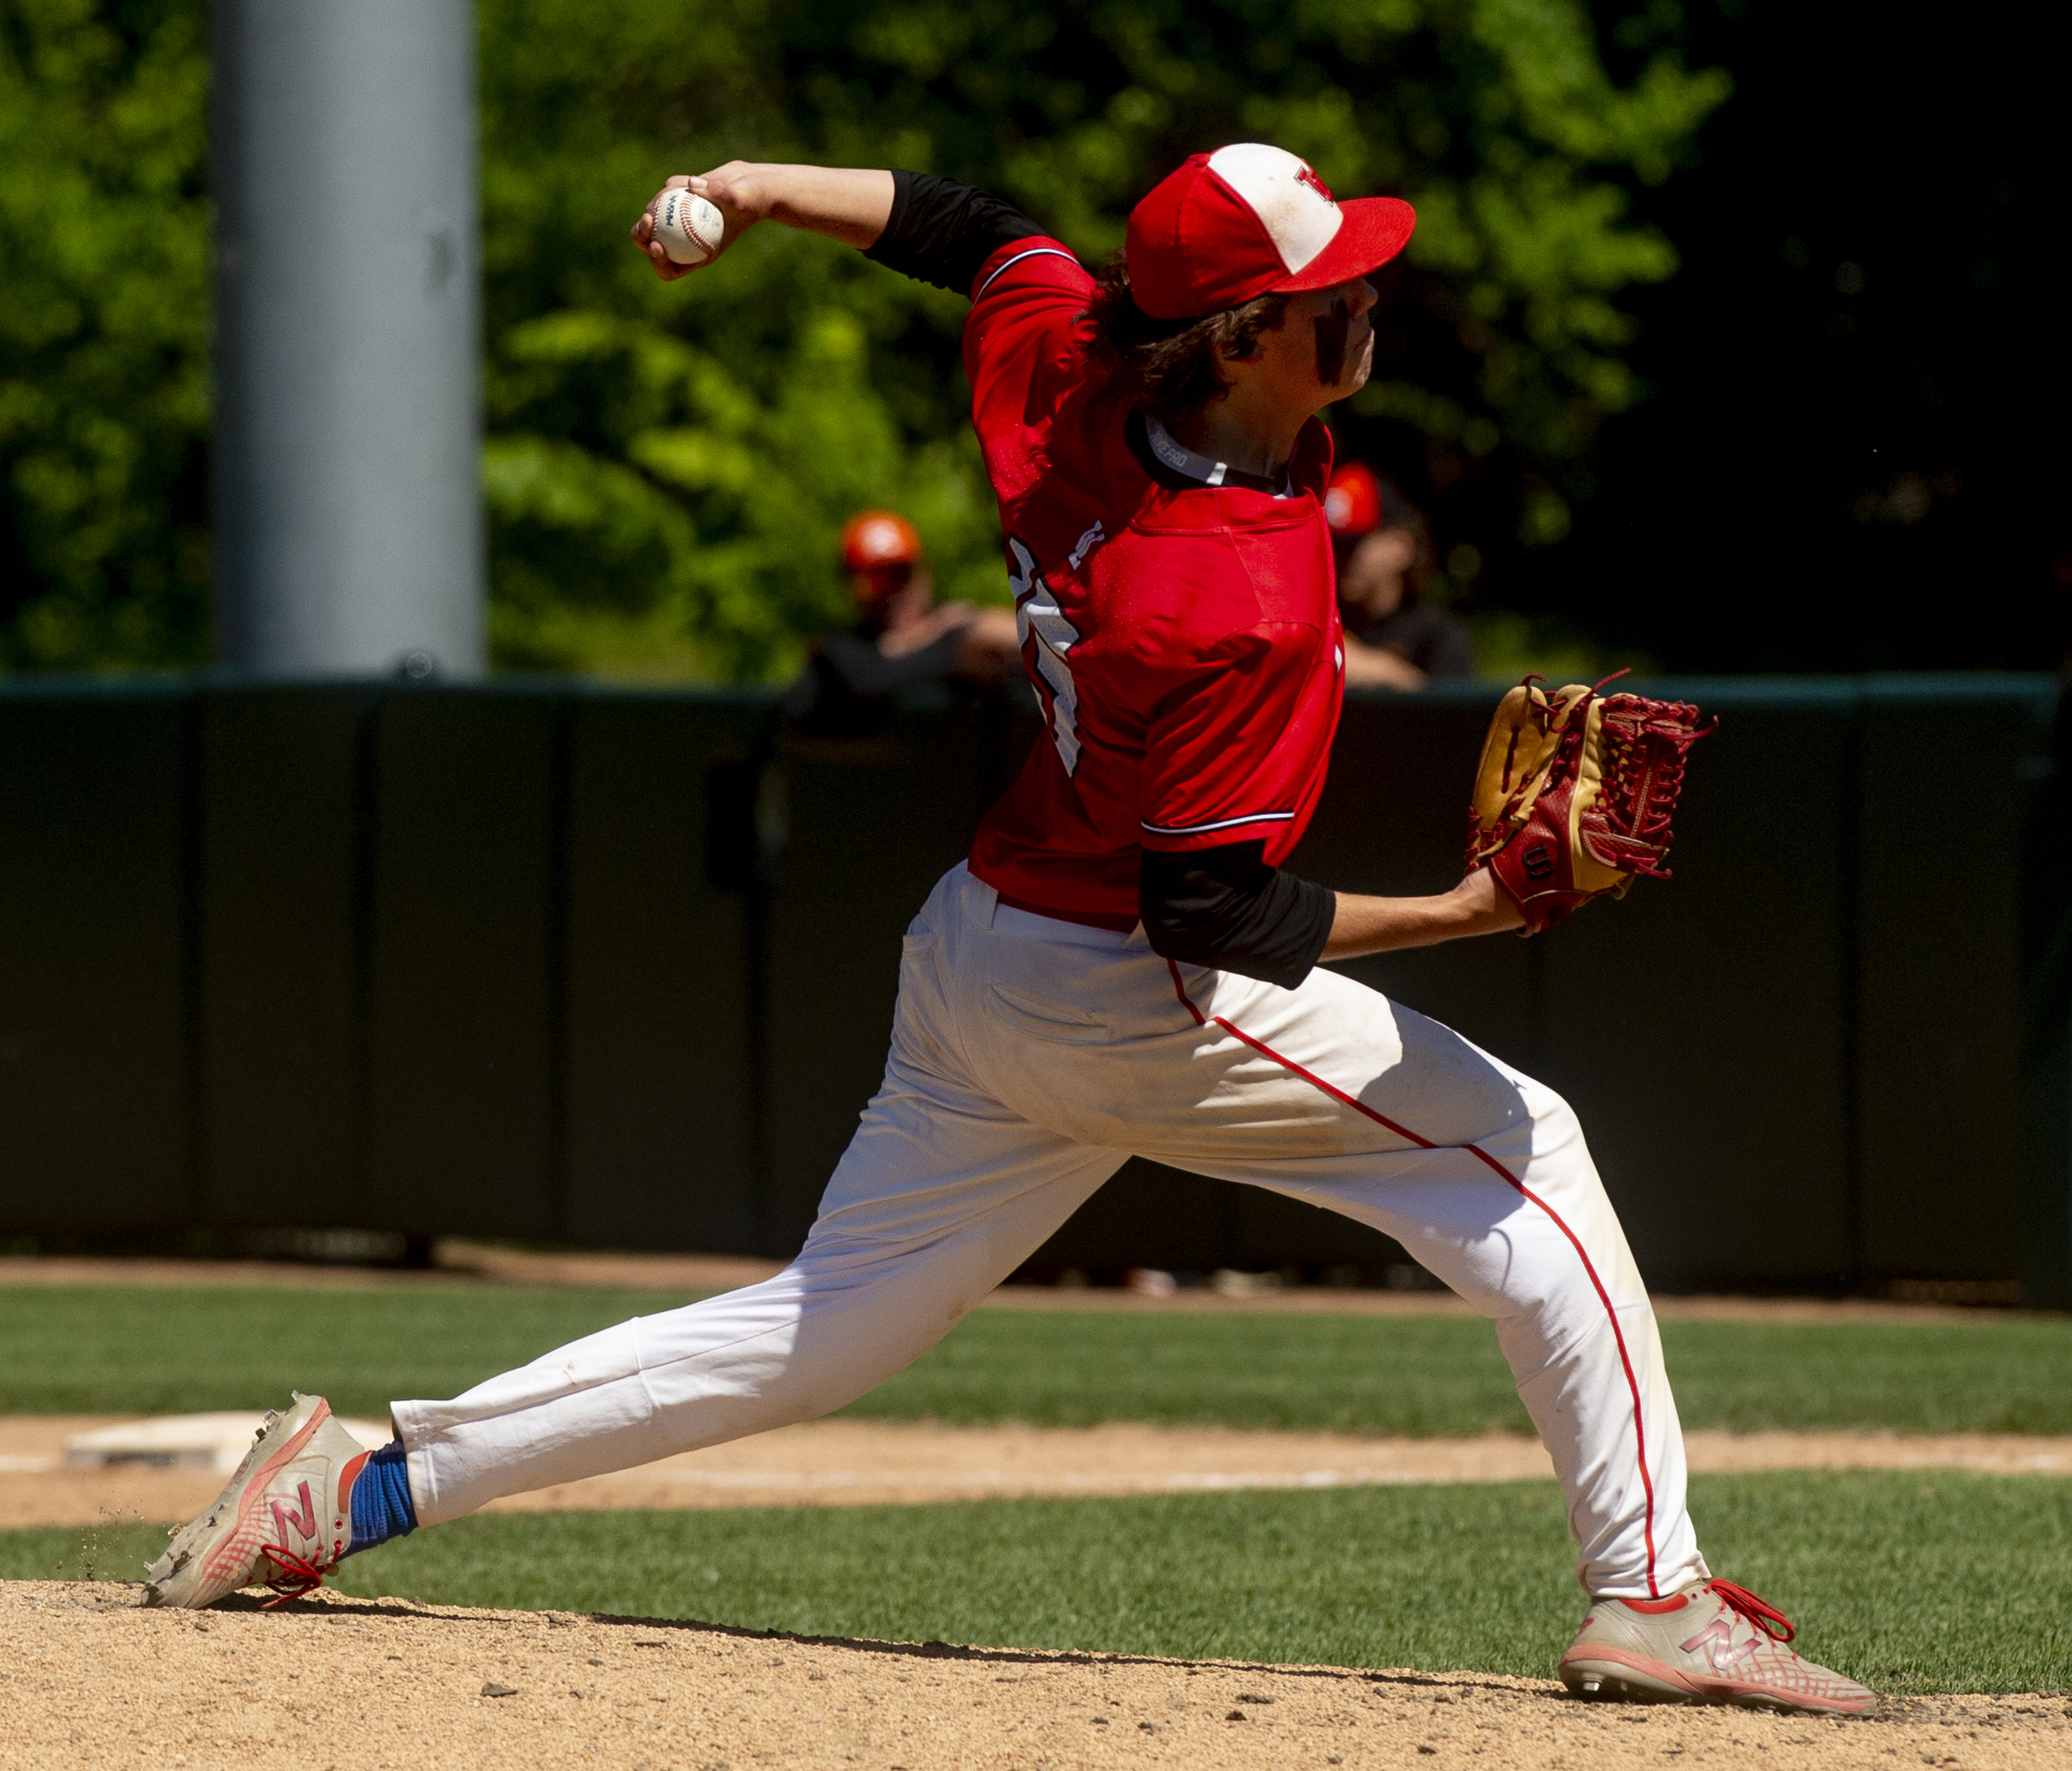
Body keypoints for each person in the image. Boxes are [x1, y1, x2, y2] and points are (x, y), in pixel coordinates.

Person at [141, 144, 1875, 1719]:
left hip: (980, 952)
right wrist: (1473, 907)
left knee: (831, 1326)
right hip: (1134, 987)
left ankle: (350, 1485)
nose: (1367, 303)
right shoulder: (1231, 592)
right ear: (1240, 337)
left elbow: (972, 226)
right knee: (1533, 1157)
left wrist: (751, 185)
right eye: (1333, 290)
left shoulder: (1073, 376)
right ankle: (1646, 1594)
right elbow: (1217, 910)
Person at [780, 511, 1024, 737]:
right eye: (873, 581)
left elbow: (1033, 641)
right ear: (850, 588)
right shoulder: (839, 652)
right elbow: (866, 681)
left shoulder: (961, 626)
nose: (891, 592)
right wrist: (949, 649)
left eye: (900, 574)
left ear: (924, 572)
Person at [1325, 462, 1474, 688]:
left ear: (1400, 546)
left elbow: (1450, 718)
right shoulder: (1322, 621)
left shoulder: (1437, 636)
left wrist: (1386, 673)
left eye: (1354, 545)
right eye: (1334, 544)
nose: (1341, 558)